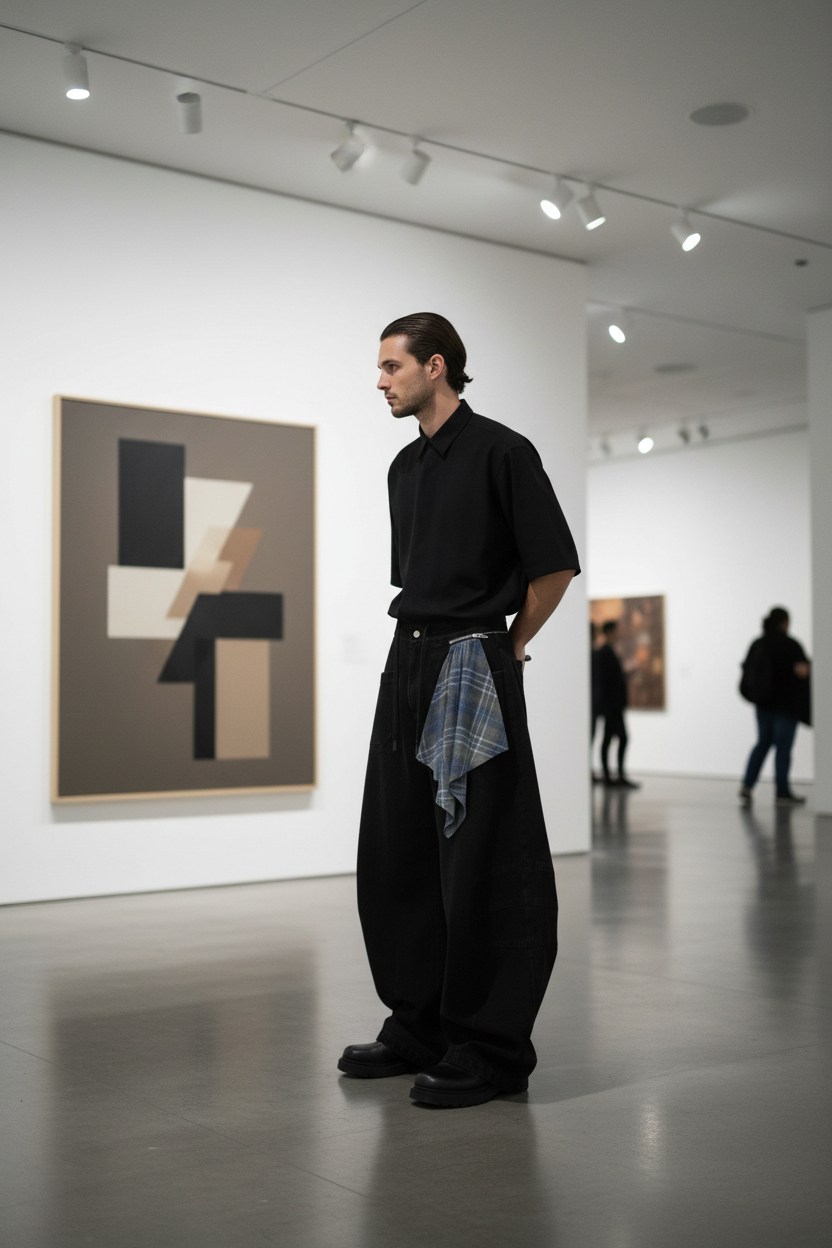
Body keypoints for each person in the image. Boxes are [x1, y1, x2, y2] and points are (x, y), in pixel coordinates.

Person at [338, 312, 580, 1108]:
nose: (380, 381)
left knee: (484, 856)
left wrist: (512, 644)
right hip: (408, 658)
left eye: (391, 366)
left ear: (435, 365)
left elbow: (553, 567)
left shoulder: (503, 451)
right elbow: (418, 577)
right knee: (396, 850)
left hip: (473, 657)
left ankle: (491, 1046)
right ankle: (419, 1026)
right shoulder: (403, 470)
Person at [739, 607, 811, 808]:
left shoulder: (758, 643)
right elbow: (803, 670)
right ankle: (782, 791)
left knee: (763, 743)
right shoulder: (791, 644)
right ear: (785, 622)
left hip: (763, 705)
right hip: (786, 707)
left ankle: (747, 785)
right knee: (783, 748)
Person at [596, 620, 639, 789]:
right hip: (611, 706)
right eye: (616, 631)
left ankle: (612, 775)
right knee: (620, 738)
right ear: (610, 632)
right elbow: (606, 680)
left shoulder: (611, 651)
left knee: (611, 739)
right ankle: (613, 775)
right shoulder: (605, 652)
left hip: (613, 705)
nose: (618, 634)